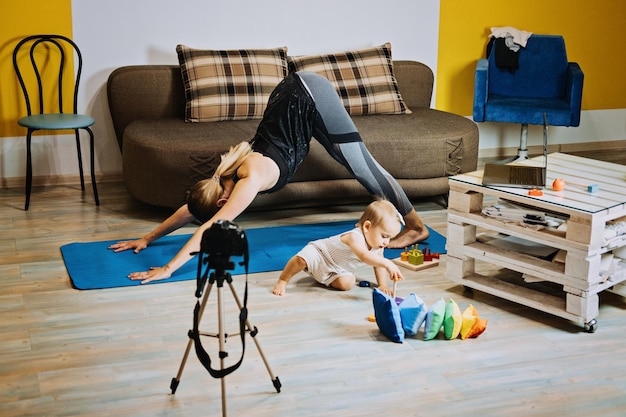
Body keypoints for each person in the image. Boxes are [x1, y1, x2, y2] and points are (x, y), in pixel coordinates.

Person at [108, 71, 429, 284]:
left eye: (221, 208)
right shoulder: (221, 177)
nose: (223, 210)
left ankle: (415, 227)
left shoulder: (246, 182)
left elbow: (207, 227)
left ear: (222, 200)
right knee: (345, 156)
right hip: (292, 94)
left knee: (361, 165)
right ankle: (413, 222)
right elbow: (193, 209)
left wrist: (167, 270)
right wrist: (148, 238)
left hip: (308, 94)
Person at [272, 200, 404, 296]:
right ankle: (283, 279)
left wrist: (383, 285)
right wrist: (388, 263)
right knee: (301, 260)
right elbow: (364, 256)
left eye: (390, 238)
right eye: (384, 236)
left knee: (347, 284)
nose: (387, 242)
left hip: (337, 269)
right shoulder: (355, 237)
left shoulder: (378, 245)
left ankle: (321, 277)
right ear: (367, 227)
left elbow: (378, 264)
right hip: (320, 254)